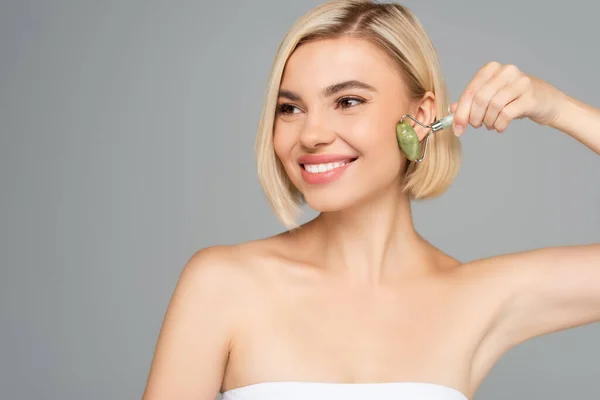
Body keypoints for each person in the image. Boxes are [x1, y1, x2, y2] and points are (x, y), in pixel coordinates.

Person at [142, 1, 600, 399]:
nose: (312, 134)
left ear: (420, 118)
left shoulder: (478, 296)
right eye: (291, 108)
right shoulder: (222, 284)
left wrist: (556, 108)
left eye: (348, 101)